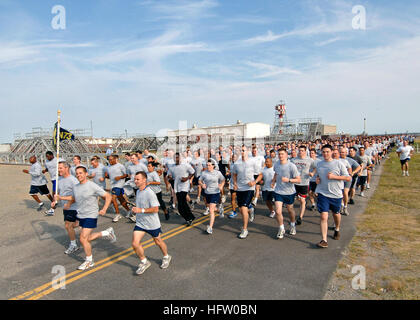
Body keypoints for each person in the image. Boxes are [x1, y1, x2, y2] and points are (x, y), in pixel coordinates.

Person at [61, 166, 114, 270]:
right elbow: (74, 198)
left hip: (91, 215)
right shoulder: (76, 187)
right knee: (87, 238)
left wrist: (104, 208)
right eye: (77, 173)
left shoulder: (92, 186)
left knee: (82, 238)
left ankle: (89, 261)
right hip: (81, 215)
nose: (78, 175)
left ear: (86, 174)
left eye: (81, 173)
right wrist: (61, 198)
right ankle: (106, 233)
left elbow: (108, 196)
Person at [131, 171, 171, 275]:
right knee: (135, 243)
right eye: (135, 179)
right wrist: (136, 209)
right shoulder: (138, 191)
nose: (135, 181)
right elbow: (140, 206)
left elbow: (156, 209)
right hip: (140, 223)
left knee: (158, 242)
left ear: (144, 180)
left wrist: (141, 210)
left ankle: (166, 256)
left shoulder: (149, 193)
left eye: (137, 179)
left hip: (152, 224)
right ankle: (144, 262)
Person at [315, 145, 351, 248]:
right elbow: (319, 175)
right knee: (323, 216)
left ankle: (337, 228)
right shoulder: (319, 164)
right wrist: (317, 180)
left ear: (331, 152)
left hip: (336, 194)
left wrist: (334, 177)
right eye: (323, 152)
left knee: (336, 214)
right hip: (323, 193)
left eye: (327, 152)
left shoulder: (338, 163)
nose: (325, 154)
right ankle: (324, 240)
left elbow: (348, 178)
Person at [231, 145, 262, 239]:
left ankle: (245, 230)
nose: (242, 152)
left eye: (244, 150)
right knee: (241, 209)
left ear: (248, 151)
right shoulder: (237, 163)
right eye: (241, 150)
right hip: (240, 188)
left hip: (249, 188)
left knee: (243, 208)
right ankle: (251, 209)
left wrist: (254, 182)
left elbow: (260, 175)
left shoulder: (253, 162)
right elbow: (234, 175)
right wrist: (235, 184)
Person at [51, 161, 80, 254]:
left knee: (68, 226)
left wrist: (61, 198)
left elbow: (76, 197)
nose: (58, 170)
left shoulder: (73, 180)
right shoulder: (59, 179)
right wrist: (54, 202)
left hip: (75, 207)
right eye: (58, 168)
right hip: (66, 207)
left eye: (60, 168)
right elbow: (58, 194)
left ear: (66, 168)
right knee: (71, 226)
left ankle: (73, 245)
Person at [271, 148, 301, 239]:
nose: (280, 156)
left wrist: (288, 180)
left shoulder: (291, 166)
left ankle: (292, 225)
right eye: (279, 154)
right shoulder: (276, 164)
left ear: (287, 155)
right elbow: (276, 173)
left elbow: (298, 180)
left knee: (290, 210)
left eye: (282, 154)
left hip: (289, 192)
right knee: (278, 211)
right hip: (278, 191)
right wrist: (273, 181)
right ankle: (281, 228)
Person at [167, 153, 196, 225]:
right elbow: (168, 175)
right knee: (181, 204)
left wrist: (187, 178)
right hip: (176, 187)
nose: (176, 159)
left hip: (184, 186)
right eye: (175, 158)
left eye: (178, 158)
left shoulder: (185, 165)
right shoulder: (172, 167)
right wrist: (169, 177)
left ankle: (189, 218)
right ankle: (190, 217)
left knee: (181, 203)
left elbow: (193, 172)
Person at [199, 160, 225, 234]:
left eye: (210, 165)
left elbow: (223, 180)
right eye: (207, 165)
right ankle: (220, 210)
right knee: (211, 207)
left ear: (213, 166)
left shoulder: (217, 173)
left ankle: (210, 227)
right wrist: (202, 184)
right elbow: (199, 180)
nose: (208, 166)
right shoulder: (204, 173)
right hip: (207, 193)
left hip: (215, 192)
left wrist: (221, 186)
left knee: (211, 210)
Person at [291, 145, 315, 225]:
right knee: (298, 199)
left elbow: (315, 167)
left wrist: (312, 173)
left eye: (302, 151)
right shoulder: (293, 160)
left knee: (302, 200)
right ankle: (303, 203)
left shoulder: (310, 160)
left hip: (304, 183)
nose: (300, 152)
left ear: (305, 151)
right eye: (299, 150)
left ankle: (300, 217)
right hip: (295, 183)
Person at [106, 155, 131, 222]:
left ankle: (117, 214)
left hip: (119, 185)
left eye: (111, 160)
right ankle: (129, 211)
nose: (110, 161)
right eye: (109, 160)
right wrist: (106, 176)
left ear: (115, 159)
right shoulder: (108, 167)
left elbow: (126, 175)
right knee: (121, 200)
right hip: (113, 185)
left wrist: (119, 177)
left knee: (113, 198)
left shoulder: (120, 166)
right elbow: (109, 176)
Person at [43, 151, 65, 215]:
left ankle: (52, 210)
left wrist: (61, 172)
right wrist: (45, 170)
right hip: (52, 179)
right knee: (60, 192)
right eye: (46, 156)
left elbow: (66, 166)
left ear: (52, 155)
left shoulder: (58, 160)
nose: (47, 157)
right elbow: (48, 168)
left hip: (58, 179)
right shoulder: (46, 161)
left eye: (48, 156)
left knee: (54, 193)